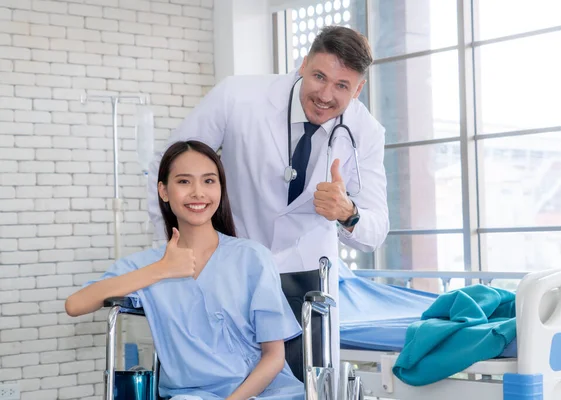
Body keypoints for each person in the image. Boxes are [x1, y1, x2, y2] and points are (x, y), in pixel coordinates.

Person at [147, 26, 389, 379]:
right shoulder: (238, 96)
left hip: (306, 279)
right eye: (319, 76)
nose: (325, 94)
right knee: (221, 377)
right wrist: (171, 247)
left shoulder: (366, 132)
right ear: (302, 65)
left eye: (342, 86)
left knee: (303, 383)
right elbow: (167, 166)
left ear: (359, 89)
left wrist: (348, 213)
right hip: (230, 266)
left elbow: (375, 230)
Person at [65, 141, 305, 400]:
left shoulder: (253, 258)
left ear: (221, 190)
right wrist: (161, 270)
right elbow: (75, 304)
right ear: (163, 191)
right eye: (184, 182)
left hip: (265, 393)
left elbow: (274, 357)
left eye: (209, 181)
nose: (198, 192)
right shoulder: (147, 265)